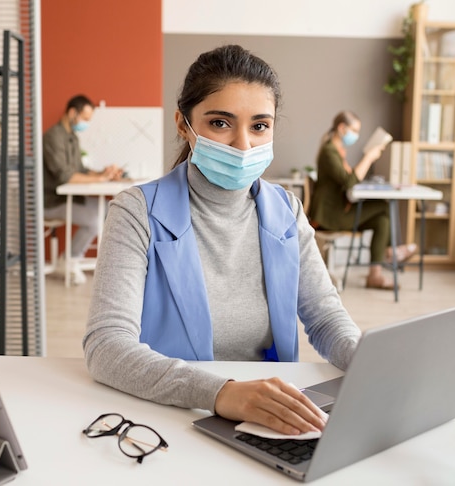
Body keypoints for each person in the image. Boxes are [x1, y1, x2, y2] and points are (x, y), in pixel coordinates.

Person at [83, 45, 363, 436]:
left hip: (266, 421)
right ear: (184, 125)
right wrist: (222, 394)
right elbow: (106, 347)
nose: (243, 144)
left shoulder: (287, 210)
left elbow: (325, 316)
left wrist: (369, 361)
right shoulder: (136, 212)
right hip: (166, 419)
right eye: (220, 123)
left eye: (259, 126)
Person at [308, 111, 416, 290]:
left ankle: (375, 274)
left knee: (382, 219)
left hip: (338, 211)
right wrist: (369, 157)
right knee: (382, 206)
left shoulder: (336, 151)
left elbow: (347, 181)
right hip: (329, 217)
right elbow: (349, 183)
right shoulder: (329, 152)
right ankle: (390, 251)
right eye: (354, 130)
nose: (356, 136)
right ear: (342, 128)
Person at [43, 94, 123, 284]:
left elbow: (80, 170)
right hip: (52, 201)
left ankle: (87, 259)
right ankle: (70, 261)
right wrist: (101, 178)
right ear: (73, 112)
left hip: (70, 199)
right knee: (95, 221)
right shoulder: (53, 137)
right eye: (85, 119)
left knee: (109, 208)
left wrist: (104, 173)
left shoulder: (72, 138)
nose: (86, 124)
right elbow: (65, 176)